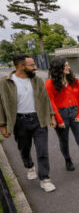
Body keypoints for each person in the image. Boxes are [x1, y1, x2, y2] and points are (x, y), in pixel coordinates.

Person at [0, 54, 57, 192]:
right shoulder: (5, 82)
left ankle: (45, 179)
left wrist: (52, 116)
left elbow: (45, 99)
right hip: (19, 121)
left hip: (39, 119)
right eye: (32, 65)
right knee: (24, 149)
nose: (35, 67)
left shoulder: (37, 80)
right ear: (21, 66)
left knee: (42, 150)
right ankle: (29, 165)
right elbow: (1, 104)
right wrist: (2, 125)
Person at [45, 57, 79, 174]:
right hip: (61, 114)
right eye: (66, 66)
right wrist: (59, 120)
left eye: (68, 65)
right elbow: (51, 102)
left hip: (75, 112)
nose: (68, 67)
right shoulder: (49, 83)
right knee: (64, 141)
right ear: (58, 68)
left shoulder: (75, 81)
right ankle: (68, 160)